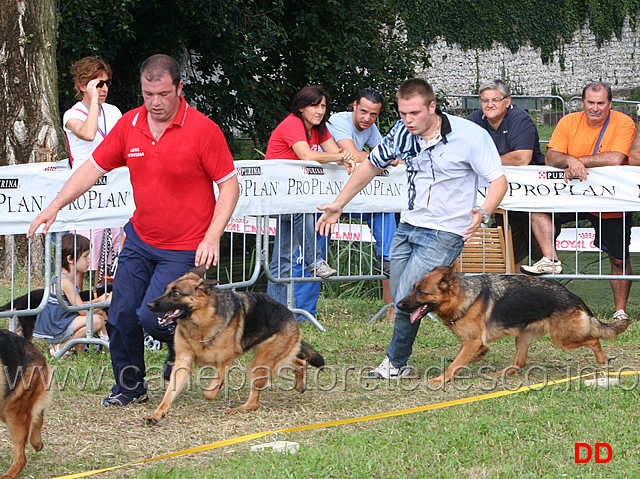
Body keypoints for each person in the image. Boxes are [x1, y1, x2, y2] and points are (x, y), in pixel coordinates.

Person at [28, 54, 240, 406]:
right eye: (147, 94)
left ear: (179, 88)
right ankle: (129, 388)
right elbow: (91, 169)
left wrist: (212, 236)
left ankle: (182, 346)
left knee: (153, 317)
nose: (155, 103)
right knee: (123, 313)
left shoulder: (203, 130)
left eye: (163, 94)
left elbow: (229, 186)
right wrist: (54, 207)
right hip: (140, 239)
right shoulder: (129, 125)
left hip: (186, 246)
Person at [316, 78, 508, 379]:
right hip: (408, 225)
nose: (408, 120)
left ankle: (395, 363)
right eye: (403, 113)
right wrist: (339, 203)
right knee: (401, 296)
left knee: (408, 296)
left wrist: (484, 212)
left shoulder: (469, 135)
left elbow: (499, 181)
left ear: (432, 107)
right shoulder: (402, 132)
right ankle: (457, 342)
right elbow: (370, 166)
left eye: (414, 113)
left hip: (445, 233)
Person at [522, 82, 635, 322]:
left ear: (610, 104)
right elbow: (551, 156)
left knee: (618, 258)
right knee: (538, 209)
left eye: (601, 103)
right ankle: (551, 260)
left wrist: (575, 161)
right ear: (582, 103)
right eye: (591, 103)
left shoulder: (623, 122)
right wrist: (571, 161)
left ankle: (620, 311)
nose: (595, 108)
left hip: (610, 199)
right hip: (569, 195)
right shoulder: (568, 122)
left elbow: (616, 157)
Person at [293, 88, 396, 319]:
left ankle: (388, 261)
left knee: (384, 211)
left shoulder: (370, 127)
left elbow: (383, 154)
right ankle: (302, 313)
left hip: (349, 196)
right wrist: (384, 157)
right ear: (354, 106)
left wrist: (384, 156)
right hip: (322, 199)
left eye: (373, 115)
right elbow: (352, 155)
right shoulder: (338, 120)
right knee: (313, 252)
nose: (367, 119)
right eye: (363, 112)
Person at [264, 85, 355, 307]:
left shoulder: (319, 128)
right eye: (314, 106)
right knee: (304, 209)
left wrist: (344, 157)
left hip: (294, 197)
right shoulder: (292, 124)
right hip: (275, 194)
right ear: (301, 107)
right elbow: (306, 155)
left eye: (323, 106)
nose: (319, 111)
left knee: (282, 258)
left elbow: (335, 154)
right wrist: (340, 156)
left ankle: (276, 311)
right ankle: (314, 261)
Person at [467, 79, 545, 270]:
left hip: (531, 196)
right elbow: (462, 151)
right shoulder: (474, 120)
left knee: (539, 255)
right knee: (509, 250)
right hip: (499, 196)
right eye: (484, 100)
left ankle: (543, 297)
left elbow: (521, 158)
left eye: (495, 100)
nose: (489, 105)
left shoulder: (520, 119)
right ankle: (515, 295)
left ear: (507, 101)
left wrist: (484, 161)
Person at [63, 56, 123, 288]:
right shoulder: (72, 114)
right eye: (98, 84)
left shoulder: (114, 112)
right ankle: (74, 304)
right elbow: (88, 134)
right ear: (83, 86)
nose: (104, 88)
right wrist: (94, 105)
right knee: (81, 256)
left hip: (113, 193)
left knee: (113, 258)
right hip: (84, 194)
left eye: (106, 83)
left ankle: (103, 305)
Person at [33, 233, 109, 356]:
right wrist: (104, 302)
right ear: (70, 259)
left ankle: (80, 350)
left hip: (61, 322)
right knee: (97, 320)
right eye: (85, 256)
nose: (89, 260)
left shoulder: (66, 278)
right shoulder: (65, 281)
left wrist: (99, 300)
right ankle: (62, 347)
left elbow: (78, 304)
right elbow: (82, 311)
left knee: (98, 313)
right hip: (57, 328)